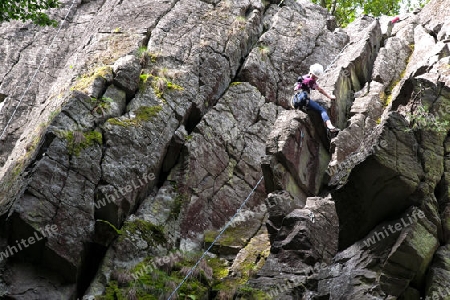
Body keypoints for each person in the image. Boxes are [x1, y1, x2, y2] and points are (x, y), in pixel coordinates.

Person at [291, 63, 339, 133]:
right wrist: (329, 96)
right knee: (322, 110)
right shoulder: (311, 81)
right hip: (304, 101)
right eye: (316, 77)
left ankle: (300, 105)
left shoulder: (304, 77)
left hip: (295, 99)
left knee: (305, 98)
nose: (316, 79)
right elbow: (320, 90)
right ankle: (330, 126)